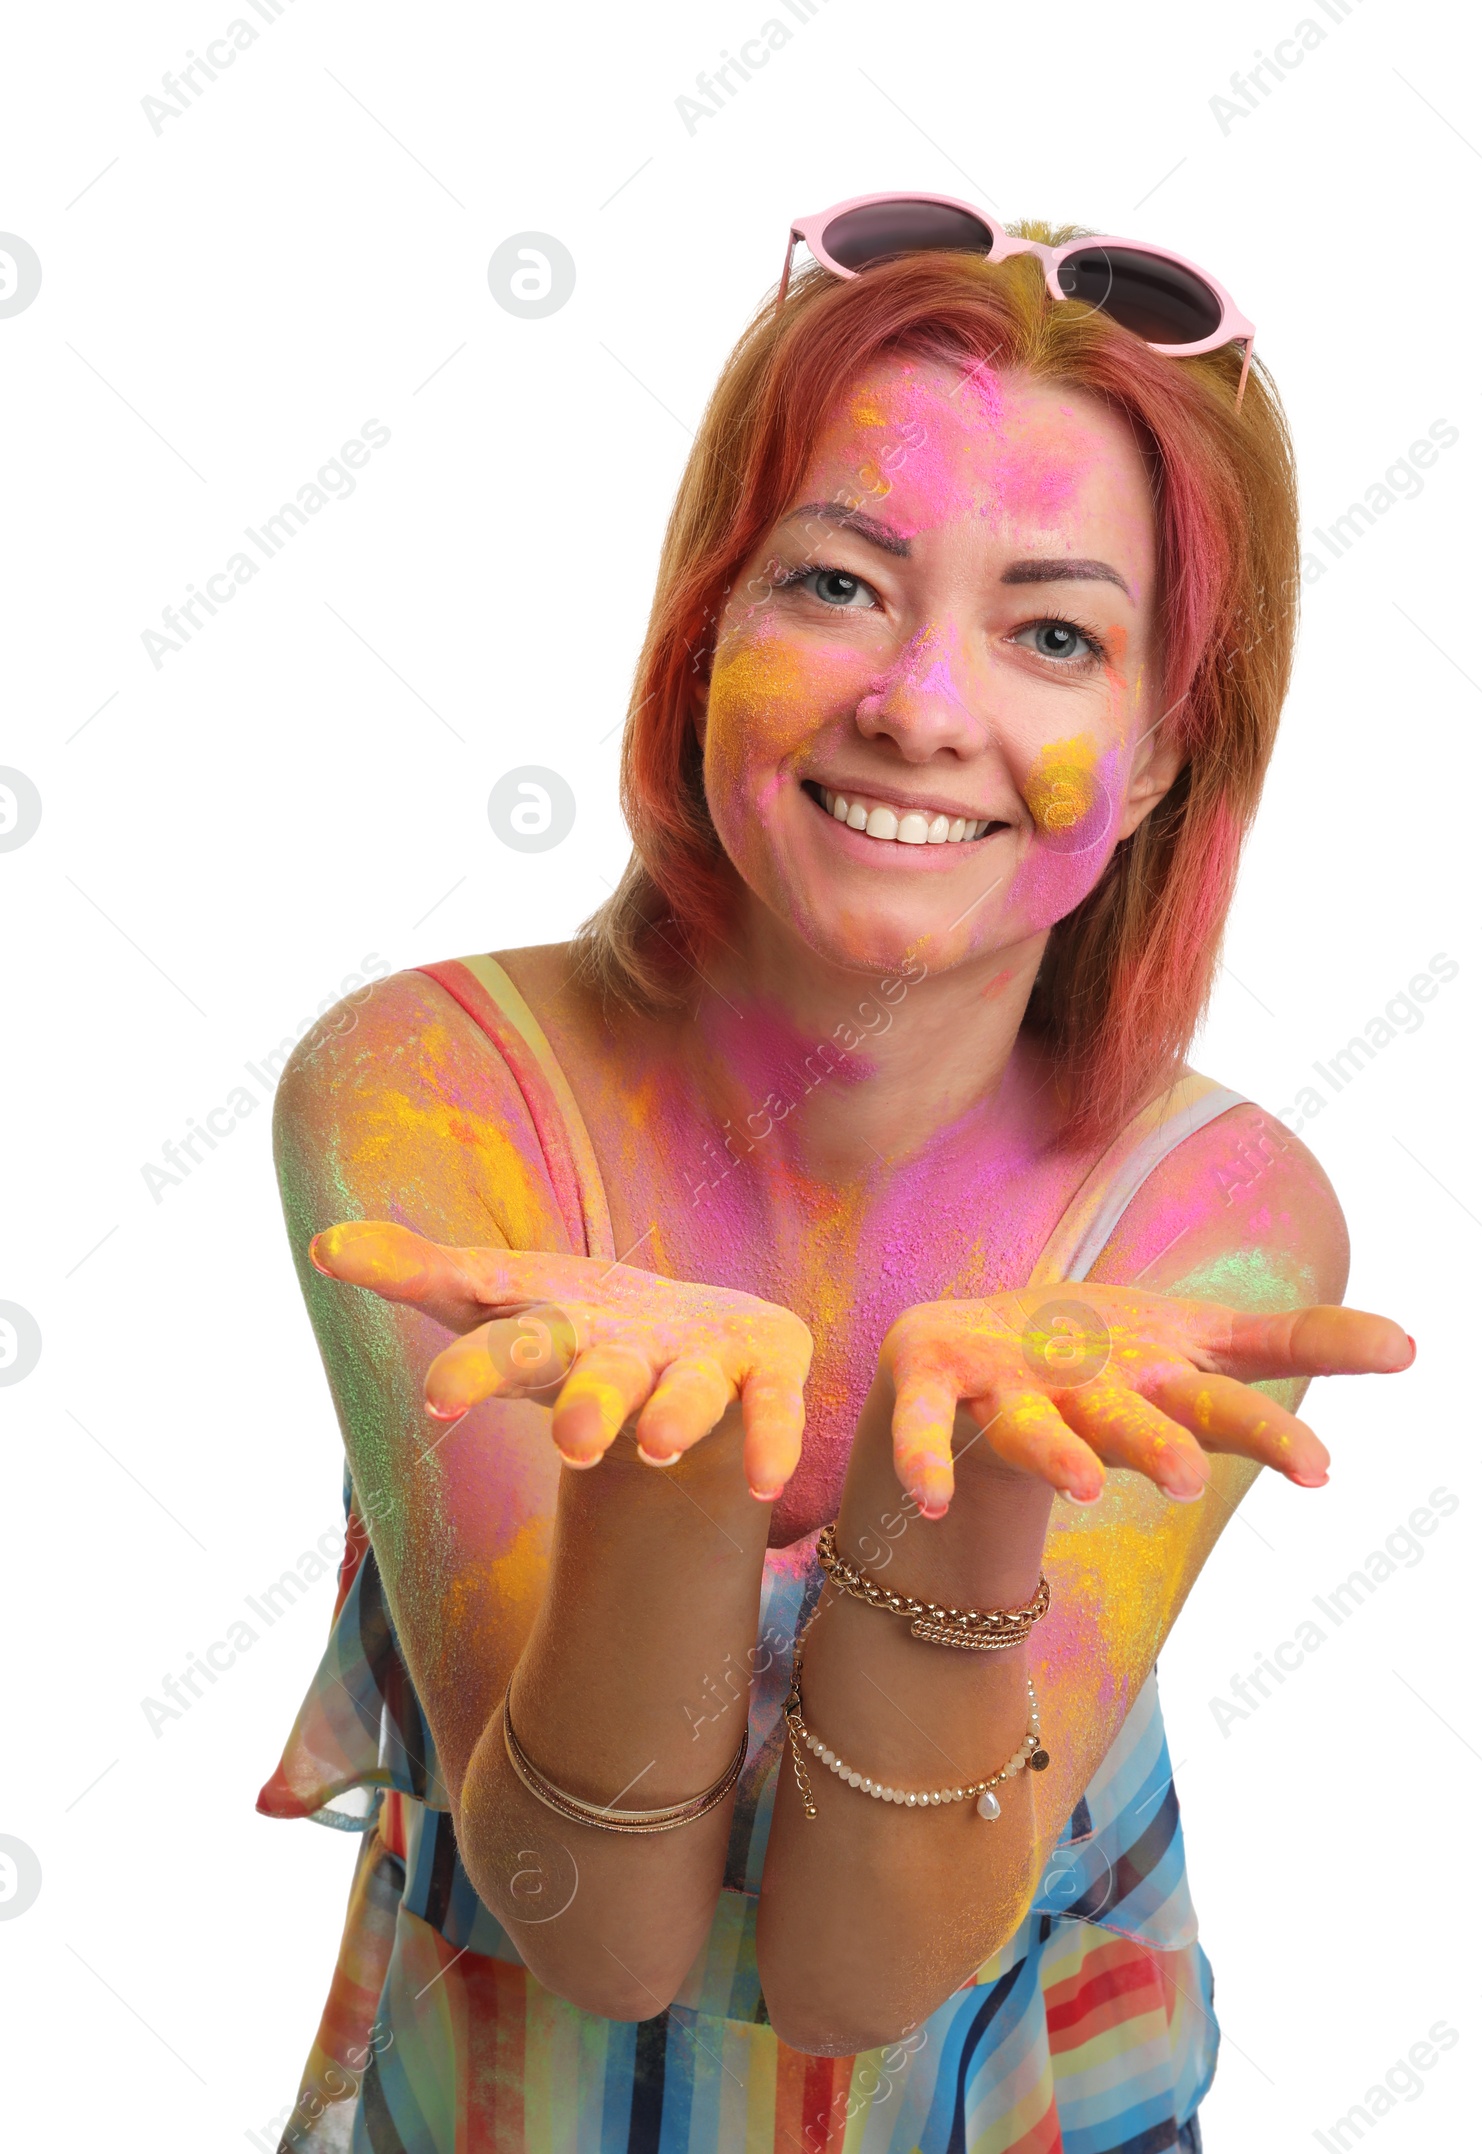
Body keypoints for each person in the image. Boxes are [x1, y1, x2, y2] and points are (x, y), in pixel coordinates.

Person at [257, 193, 1412, 2152]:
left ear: (1152, 754)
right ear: (708, 623)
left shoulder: (1208, 1227)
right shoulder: (427, 1092)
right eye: (837, 584)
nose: (917, 704)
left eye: (1051, 632)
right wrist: (668, 1462)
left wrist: (945, 1495)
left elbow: (858, 1981)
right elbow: (592, 1932)